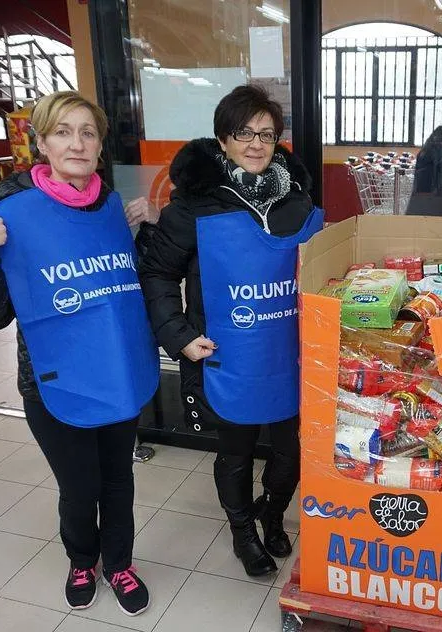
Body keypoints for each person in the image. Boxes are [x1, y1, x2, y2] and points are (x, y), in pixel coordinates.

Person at [0, 91, 161, 616]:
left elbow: (123, 290)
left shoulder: (111, 208)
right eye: (63, 132)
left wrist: (146, 233)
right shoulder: (11, 215)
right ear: (41, 143)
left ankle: (120, 563)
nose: (77, 143)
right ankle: (82, 560)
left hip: (115, 375)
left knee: (118, 480)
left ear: (100, 144)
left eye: (88, 133)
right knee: (79, 486)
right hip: (52, 383)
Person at [137, 85, 322, 577]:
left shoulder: (296, 200)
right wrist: (178, 335)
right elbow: (157, 273)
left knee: (290, 451)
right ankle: (243, 531)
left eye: (266, 134)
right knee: (236, 452)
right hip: (226, 354)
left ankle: (273, 514)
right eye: (244, 133)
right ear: (223, 139)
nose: (256, 143)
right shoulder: (194, 206)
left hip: (288, 353)